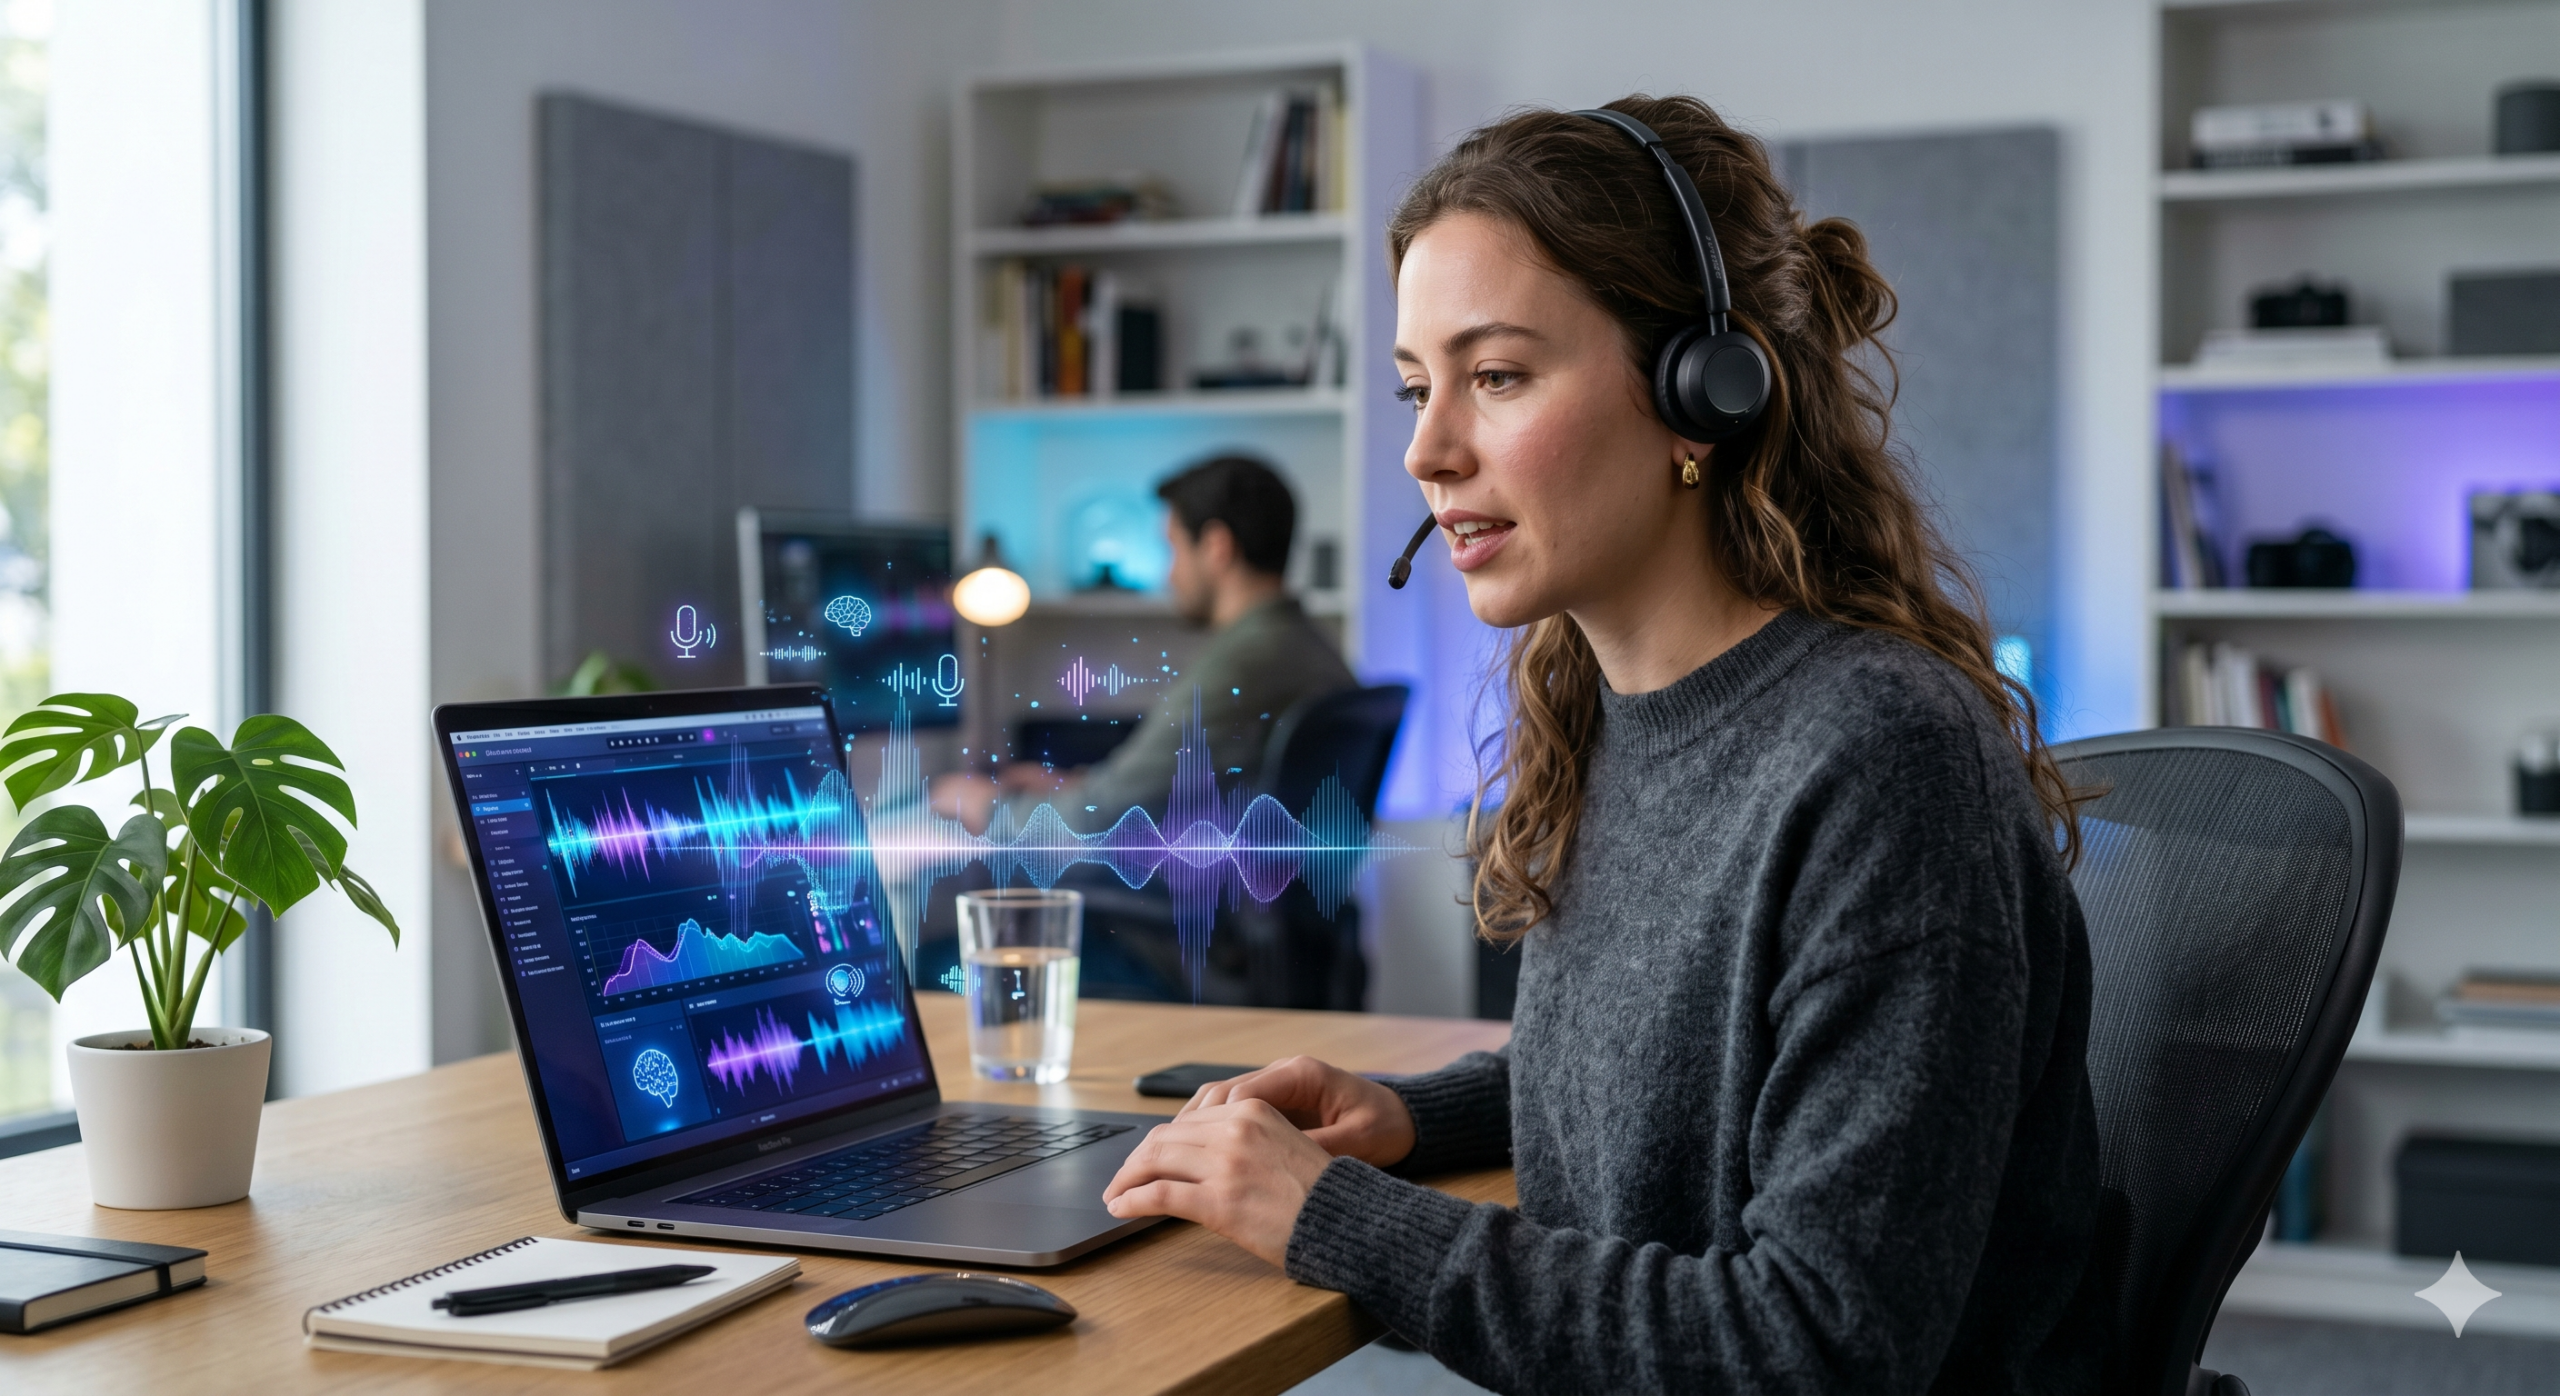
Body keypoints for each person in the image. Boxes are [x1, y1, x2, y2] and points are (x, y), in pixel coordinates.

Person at [1099, 96, 2109, 1393]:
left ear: (1703, 391)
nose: (1426, 448)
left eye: (1498, 376)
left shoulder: (1881, 761)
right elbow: (1674, 1076)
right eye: (1417, 387)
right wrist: (1415, 1116)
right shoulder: (1601, 713)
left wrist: (1333, 1221)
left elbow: (1814, 1350)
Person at [933, 454, 1355, 835]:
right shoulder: (1305, 645)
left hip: (1193, 901)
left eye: (1172, 549)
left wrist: (987, 807)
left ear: (1216, 548)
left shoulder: (1246, 665)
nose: (1169, 576)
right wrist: (1076, 785)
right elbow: (1161, 790)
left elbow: (1098, 823)